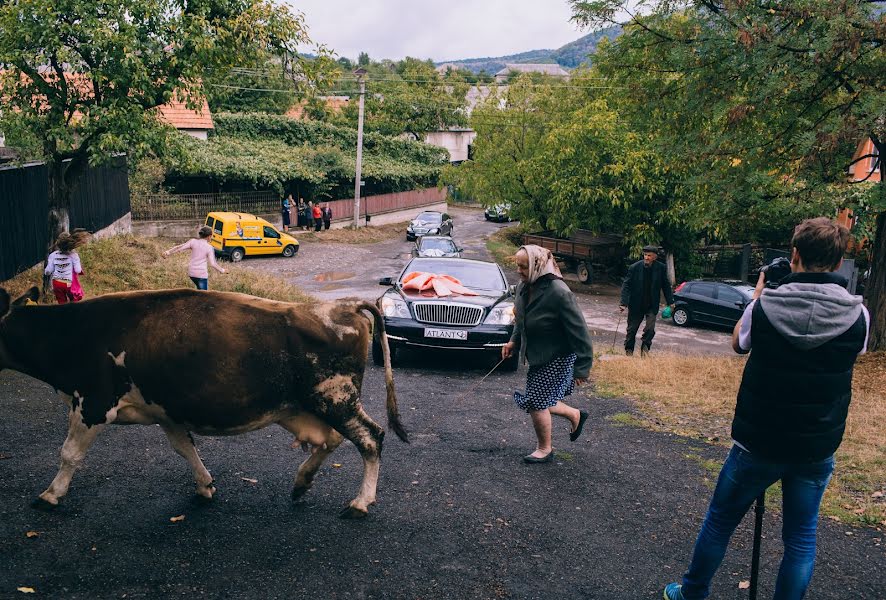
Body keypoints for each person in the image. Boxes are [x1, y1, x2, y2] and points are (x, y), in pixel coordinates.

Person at [663, 218, 870, 600]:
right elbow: (850, 354)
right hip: (814, 447)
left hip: (758, 442)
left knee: (720, 522)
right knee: (801, 540)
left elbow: (738, 344)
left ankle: (691, 594)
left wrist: (760, 292)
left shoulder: (763, 307)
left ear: (794, 255)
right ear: (840, 262)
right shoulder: (859, 316)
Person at [501, 245, 594, 463]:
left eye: (524, 267)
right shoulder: (524, 287)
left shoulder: (559, 292)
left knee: (536, 401)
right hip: (537, 353)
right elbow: (521, 317)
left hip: (558, 355)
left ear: (538, 265)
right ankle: (576, 415)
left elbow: (580, 333)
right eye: (518, 266)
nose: (519, 271)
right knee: (541, 398)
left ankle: (545, 449)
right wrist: (513, 341)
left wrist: (582, 368)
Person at [619, 245, 675, 356]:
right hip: (636, 304)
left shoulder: (661, 268)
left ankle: (645, 349)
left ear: (655, 257)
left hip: (651, 305)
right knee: (632, 330)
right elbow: (626, 285)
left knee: (650, 329)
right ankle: (629, 351)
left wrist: (670, 301)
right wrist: (623, 303)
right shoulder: (634, 268)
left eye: (649, 255)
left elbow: (666, 285)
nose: (646, 257)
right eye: (645, 255)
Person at [162, 225, 226, 290]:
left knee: (198, 292)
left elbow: (179, 248)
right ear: (209, 236)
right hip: (201, 275)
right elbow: (213, 264)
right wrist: (223, 270)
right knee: (203, 297)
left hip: (192, 274)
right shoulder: (209, 247)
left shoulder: (193, 241)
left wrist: (167, 252)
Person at [44, 229, 90, 304]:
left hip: (57, 283)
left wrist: (47, 272)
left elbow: (48, 271)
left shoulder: (53, 255)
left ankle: (63, 315)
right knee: (74, 302)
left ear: (58, 243)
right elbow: (78, 270)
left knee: (61, 304)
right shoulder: (73, 255)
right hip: (69, 283)